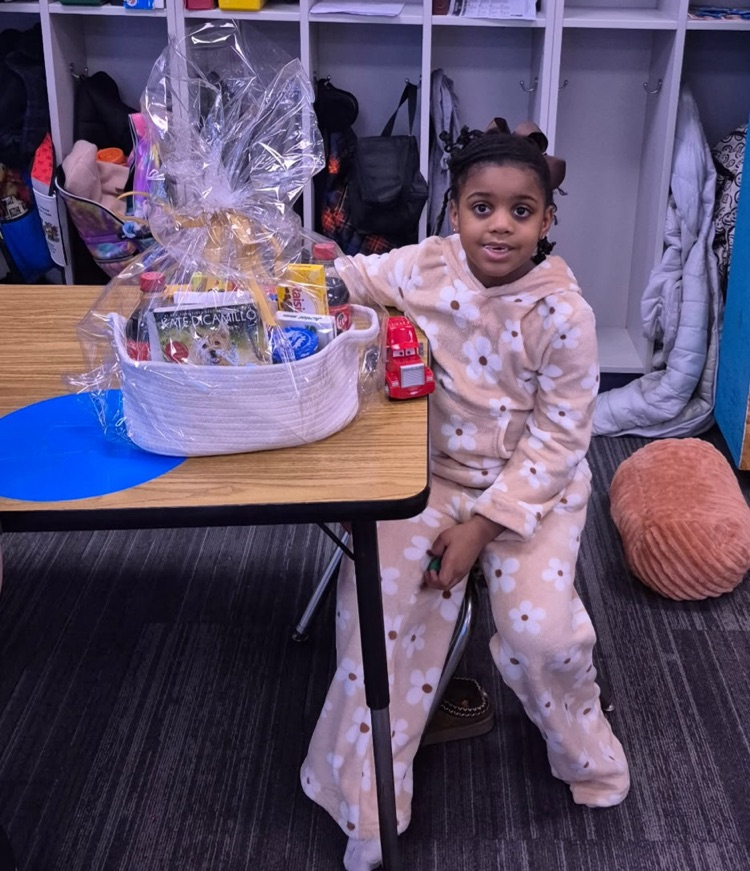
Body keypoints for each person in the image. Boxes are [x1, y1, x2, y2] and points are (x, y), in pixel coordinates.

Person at [300, 124, 630, 871]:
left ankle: (588, 751)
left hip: (529, 491)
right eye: (483, 207)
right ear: (454, 211)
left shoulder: (565, 316)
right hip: (426, 475)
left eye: (521, 211)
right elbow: (353, 276)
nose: (500, 225)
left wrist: (483, 527)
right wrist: (284, 271)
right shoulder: (426, 266)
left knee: (541, 635)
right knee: (377, 624)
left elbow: (560, 439)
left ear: (548, 222)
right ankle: (368, 804)